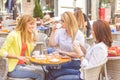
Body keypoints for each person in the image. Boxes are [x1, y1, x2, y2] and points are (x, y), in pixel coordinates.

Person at [0, 15, 44, 80]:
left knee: (43, 70)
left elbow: (30, 50)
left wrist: (35, 36)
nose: (33, 26)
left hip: (23, 64)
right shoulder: (13, 35)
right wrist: (17, 57)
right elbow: (2, 52)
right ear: (24, 24)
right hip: (13, 68)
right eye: (30, 24)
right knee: (40, 74)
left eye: (33, 24)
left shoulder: (26, 35)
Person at [46, 11, 85, 80]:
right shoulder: (61, 32)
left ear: (69, 22)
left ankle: (77, 72)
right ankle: (74, 72)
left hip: (75, 62)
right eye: (60, 20)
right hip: (62, 60)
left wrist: (63, 52)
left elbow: (78, 54)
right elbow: (51, 44)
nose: (60, 23)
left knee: (52, 72)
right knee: (48, 67)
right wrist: (53, 31)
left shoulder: (79, 34)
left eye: (62, 21)